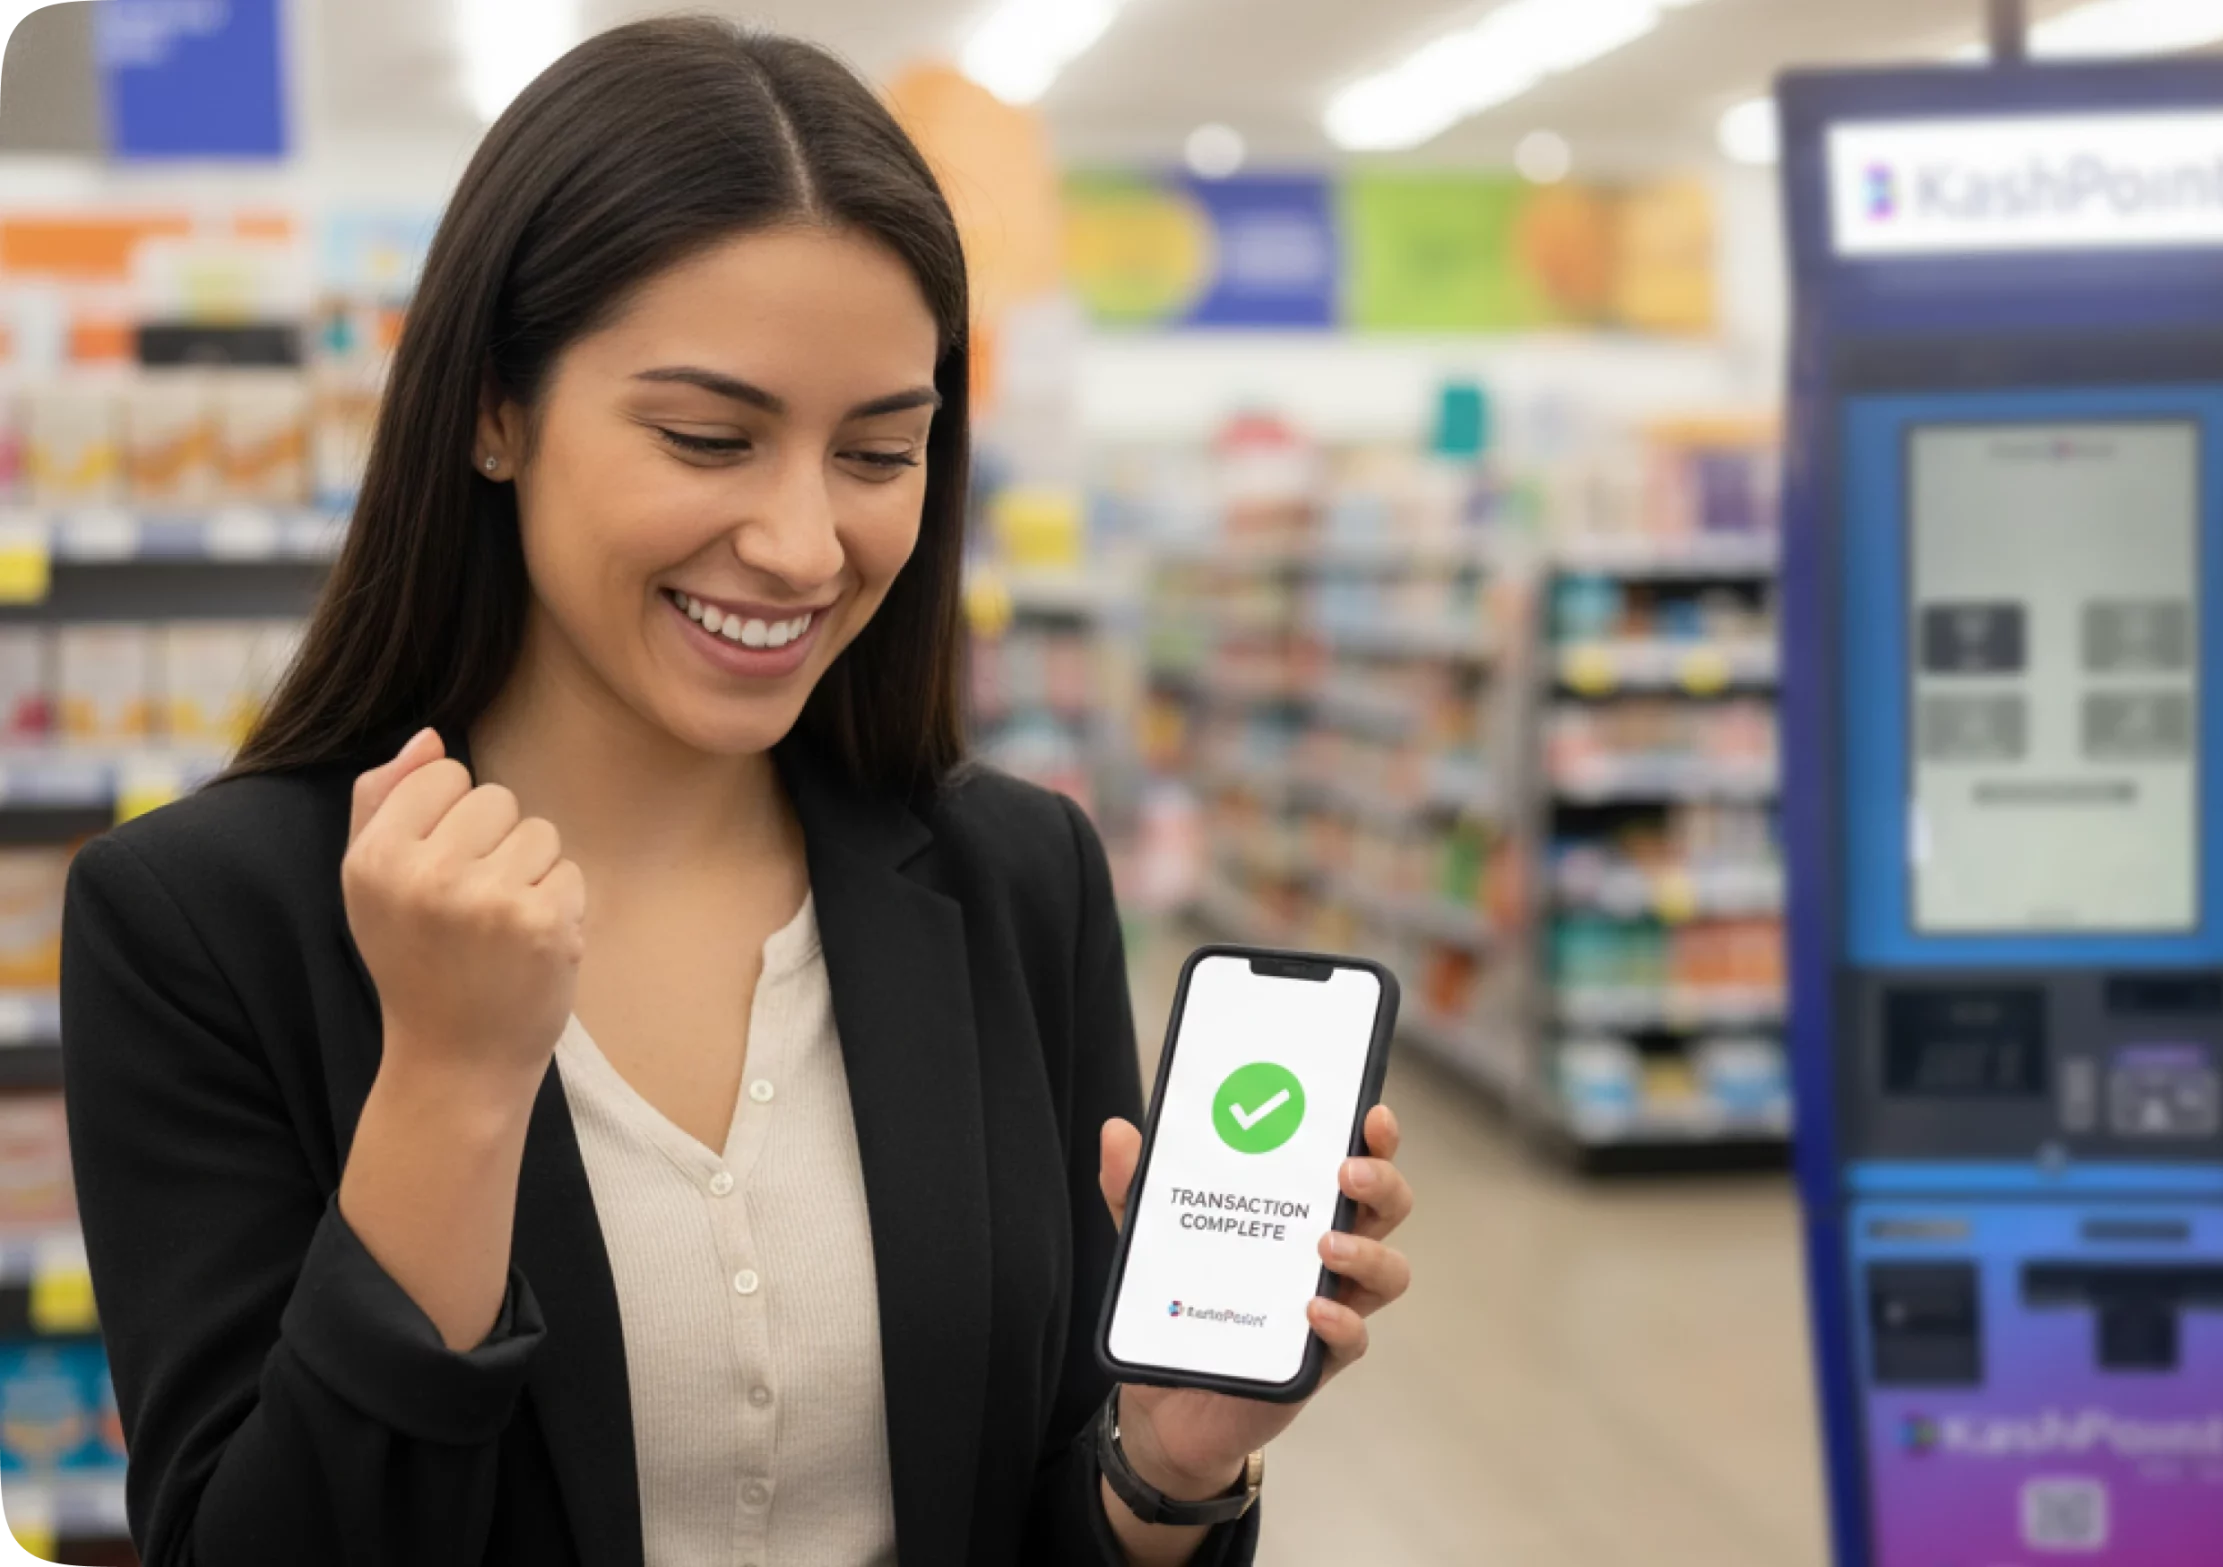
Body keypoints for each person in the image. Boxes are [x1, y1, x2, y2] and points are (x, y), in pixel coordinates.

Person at [57, 18, 1414, 1567]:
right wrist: (448, 1077)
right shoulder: (205, 922)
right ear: (495, 409)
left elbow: (1042, 1509)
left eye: (879, 451)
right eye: (710, 436)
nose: (802, 544)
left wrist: (1163, 1468)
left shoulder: (1013, 879)